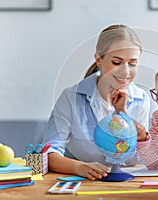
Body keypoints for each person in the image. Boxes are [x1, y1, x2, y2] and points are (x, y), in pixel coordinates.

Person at [42, 24, 150, 180]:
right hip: (82, 185)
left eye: (132, 63)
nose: (126, 71)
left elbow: (136, 160)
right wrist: (79, 167)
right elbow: (49, 152)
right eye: (116, 62)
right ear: (99, 60)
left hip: (126, 185)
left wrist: (123, 116)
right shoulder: (71, 97)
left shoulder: (141, 99)